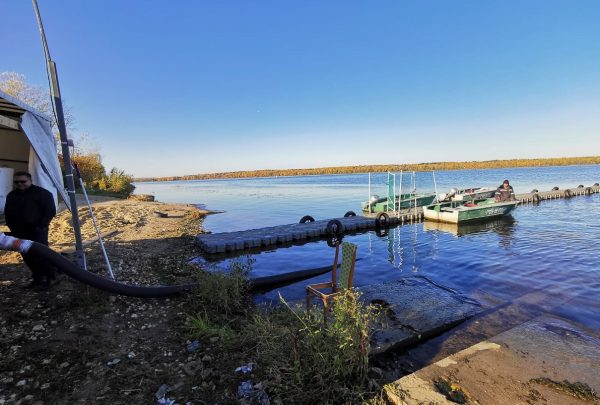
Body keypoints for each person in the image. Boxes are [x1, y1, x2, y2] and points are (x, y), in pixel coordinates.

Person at [4, 171, 58, 288]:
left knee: (41, 254)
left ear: (30, 180)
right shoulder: (12, 195)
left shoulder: (42, 193)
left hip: (37, 230)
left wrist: (40, 226)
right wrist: (12, 227)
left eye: (23, 181)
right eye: (16, 182)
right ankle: (37, 279)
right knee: (27, 256)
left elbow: (50, 211)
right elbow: (7, 213)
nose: (19, 184)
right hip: (19, 231)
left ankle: (50, 277)